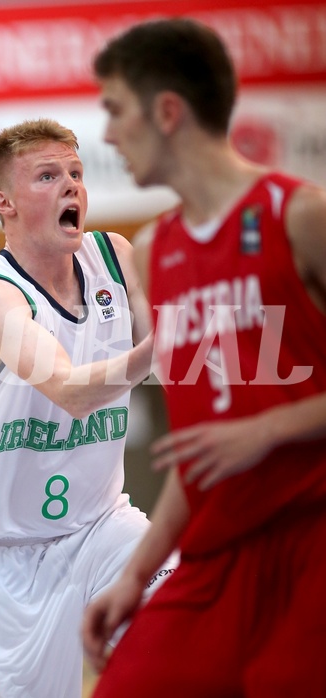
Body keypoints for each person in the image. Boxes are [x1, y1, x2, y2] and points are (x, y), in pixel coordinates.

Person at [83, 17, 326, 697]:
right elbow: (198, 453)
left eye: (114, 109)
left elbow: (241, 432)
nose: (104, 133)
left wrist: (268, 427)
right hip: (217, 555)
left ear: (166, 112)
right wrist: (136, 574)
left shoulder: (299, 216)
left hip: (312, 539)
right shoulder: (158, 252)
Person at [0, 118, 177, 698]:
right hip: (11, 558)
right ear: (4, 203)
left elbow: (168, 364)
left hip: (105, 525)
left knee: (197, 616)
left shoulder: (113, 255)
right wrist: (167, 341)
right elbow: (71, 390)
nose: (71, 186)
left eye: (75, 173)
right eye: (47, 175)